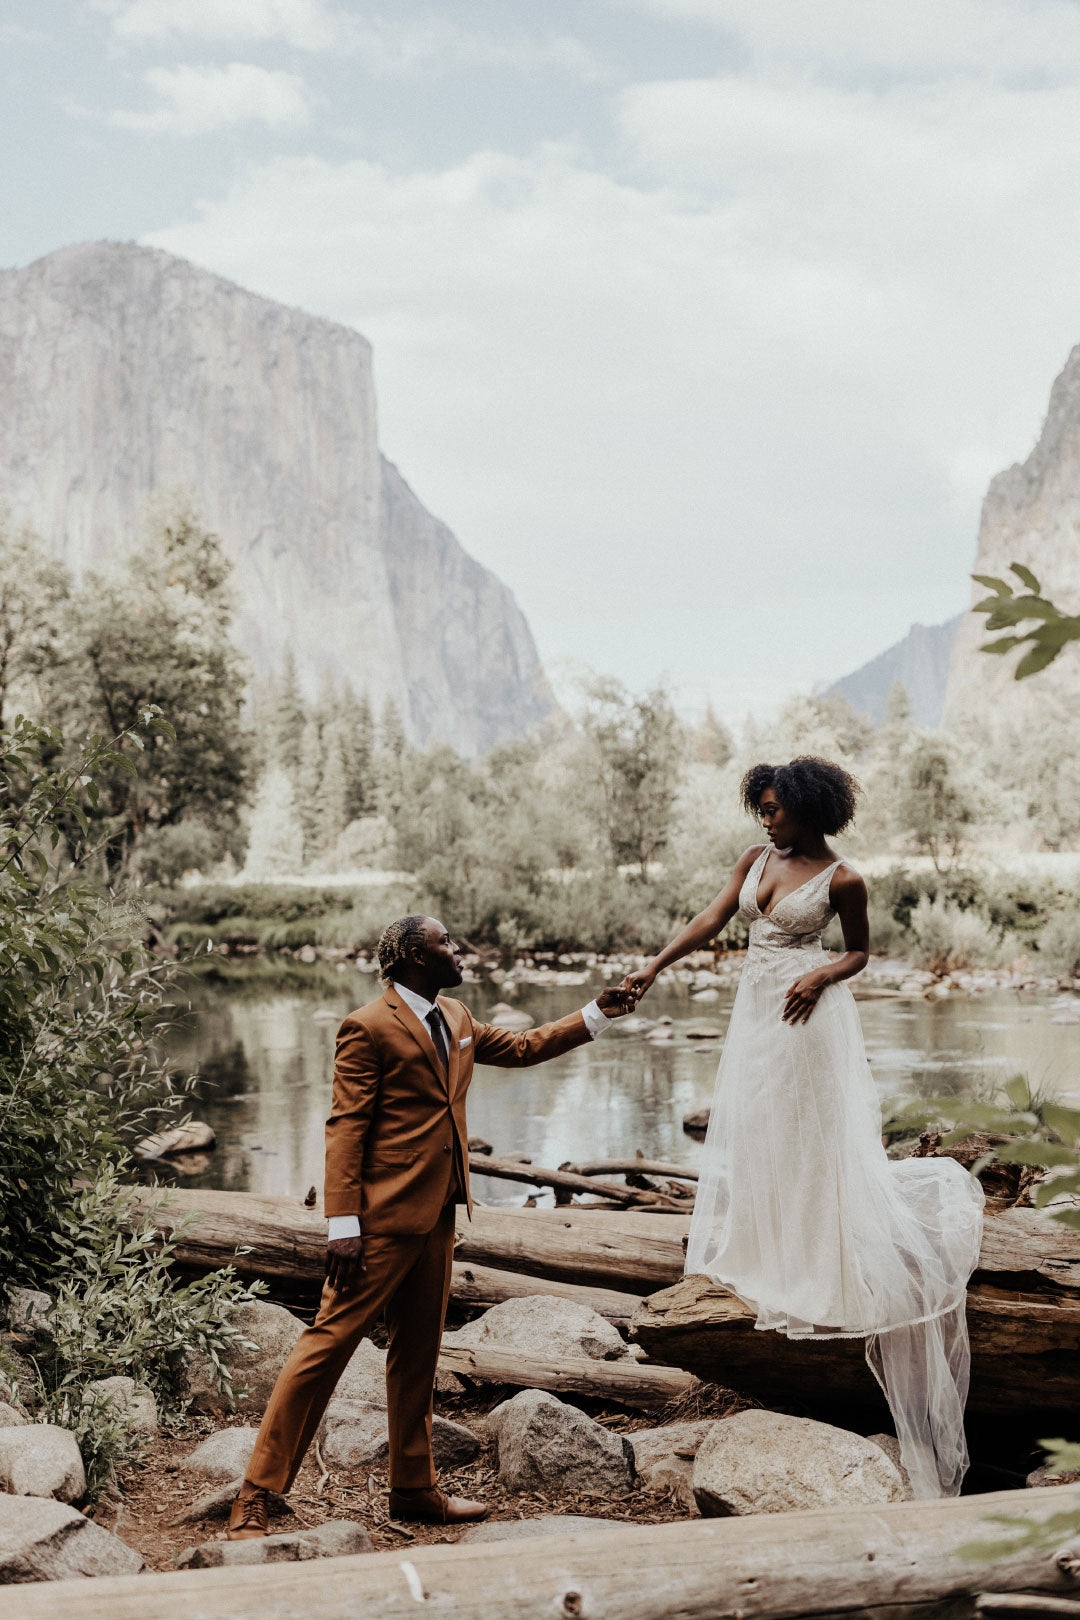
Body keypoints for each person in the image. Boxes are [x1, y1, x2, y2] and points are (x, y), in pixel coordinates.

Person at [620, 756, 984, 1499]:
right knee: (755, 1127)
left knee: (807, 1135)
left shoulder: (843, 877)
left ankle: (815, 1258)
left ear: (811, 808)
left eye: (775, 807)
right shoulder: (755, 859)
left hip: (806, 1017)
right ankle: (760, 1245)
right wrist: (651, 969)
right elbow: (712, 919)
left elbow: (861, 951)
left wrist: (822, 973)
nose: (764, 818)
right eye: (759, 806)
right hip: (754, 1012)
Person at [226, 914, 632, 1539]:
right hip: (378, 1222)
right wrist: (342, 1222)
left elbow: (524, 1049)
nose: (458, 951)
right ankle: (257, 1492)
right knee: (326, 1345)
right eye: (447, 943)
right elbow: (346, 1127)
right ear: (417, 956)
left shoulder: (460, 1018)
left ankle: (413, 1489)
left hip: (439, 1213)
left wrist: (596, 1014)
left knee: (418, 1355)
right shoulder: (367, 1026)